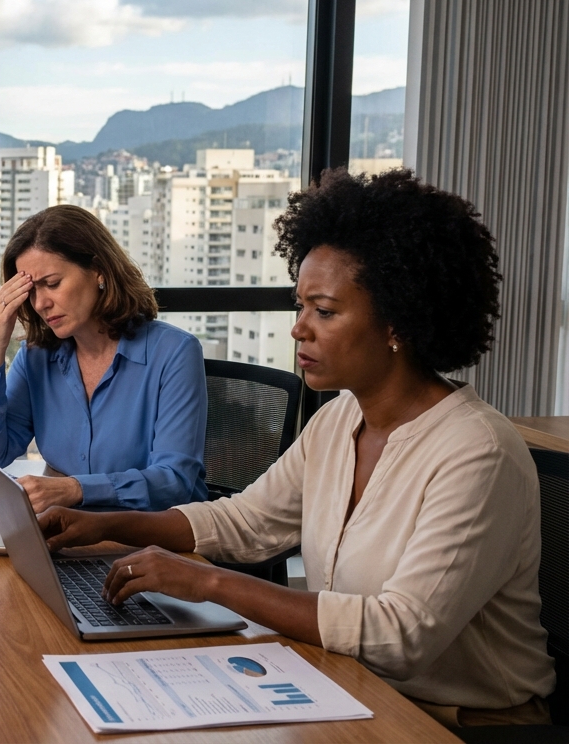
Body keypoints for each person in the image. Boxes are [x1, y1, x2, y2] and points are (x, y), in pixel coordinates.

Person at [38, 169, 555, 728]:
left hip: (453, 723)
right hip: (350, 688)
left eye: (325, 312)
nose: (299, 329)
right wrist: (108, 526)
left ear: (397, 323)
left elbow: (400, 636)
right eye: (300, 306)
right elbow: (246, 522)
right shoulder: (340, 421)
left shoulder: (477, 453)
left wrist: (209, 582)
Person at [0, 204, 207, 512]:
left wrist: (73, 489)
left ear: (98, 272)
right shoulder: (37, 356)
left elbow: (174, 482)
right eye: (31, 292)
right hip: (71, 534)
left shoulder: (174, 353)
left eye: (52, 284)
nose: (41, 303)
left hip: (150, 543)